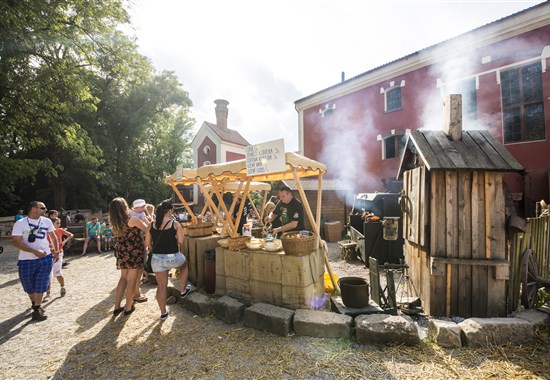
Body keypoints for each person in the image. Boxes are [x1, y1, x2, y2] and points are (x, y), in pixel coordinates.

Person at [11, 201, 60, 321]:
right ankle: (35, 304)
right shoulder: (20, 223)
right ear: (33, 209)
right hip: (26, 259)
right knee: (29, 286)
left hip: (45, 257)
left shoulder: (47, 221)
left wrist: (57, 251)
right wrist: (34, 251)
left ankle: (37, 308)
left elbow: (53, 237)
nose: (45, 210)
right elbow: (16, 241)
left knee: (41, 283)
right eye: (42, 208)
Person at [145, 200, 192, 320]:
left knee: (161, 286)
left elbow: (147, 243)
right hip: (173, 257)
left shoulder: (151, 225)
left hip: (157, 259)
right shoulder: (175, 224)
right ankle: (182, 290)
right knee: (184, 266)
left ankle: (163, 313)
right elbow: (181, 241)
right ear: (170, 211)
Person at [109, 197, 149, 316]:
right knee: (132, 279)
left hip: (121, 252)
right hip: (134, 252)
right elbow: (147, 230)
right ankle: (128, 307)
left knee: (123, 279)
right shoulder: (133, 219)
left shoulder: (114, 224)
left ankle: (117, 307)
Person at [43, 217, 73, 301]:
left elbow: (71, 235)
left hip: (58, 253)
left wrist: (63, 242)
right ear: (51, 224)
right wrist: (47, 246)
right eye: (57, 223)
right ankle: (48, 294)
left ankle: (62, 286)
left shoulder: (60, 230)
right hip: (48, 254)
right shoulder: (45, 232)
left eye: (59, 223)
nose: (59, 225)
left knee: (57, 273)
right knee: (48, 274)